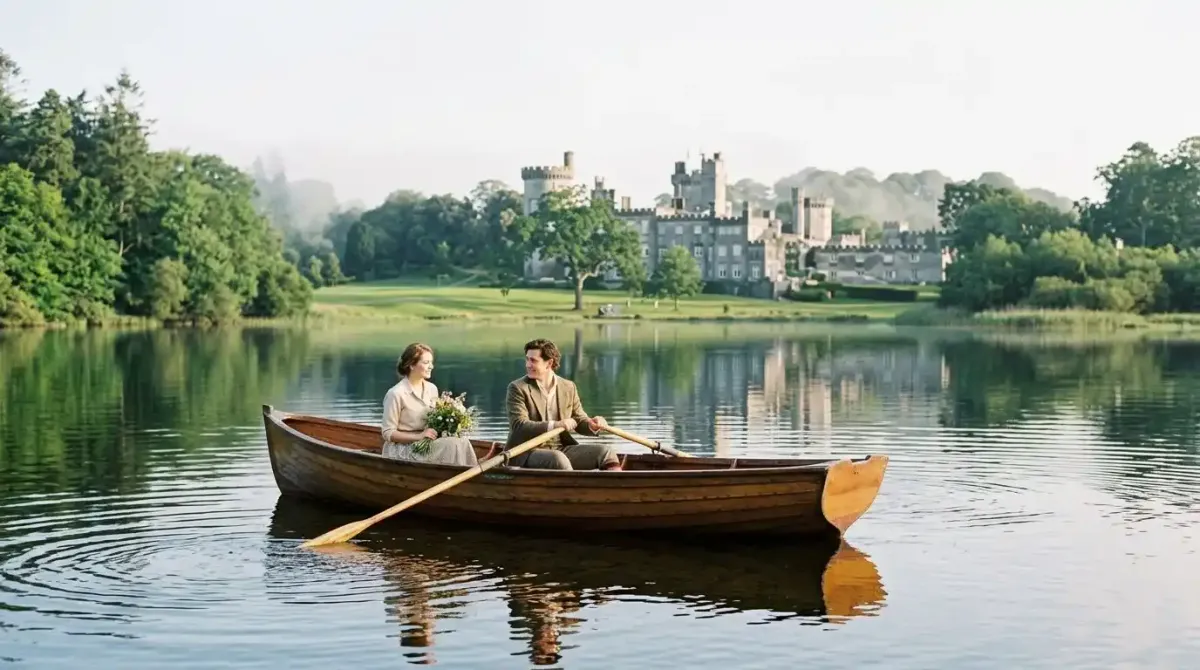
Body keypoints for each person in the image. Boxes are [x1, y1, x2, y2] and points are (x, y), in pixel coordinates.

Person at [504, 338, 621, 470]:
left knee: (606, 452)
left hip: (561, 448)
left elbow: (579, 420)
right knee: (557, 458)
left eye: (533, 360)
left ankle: (618, 489)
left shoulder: (568, 387)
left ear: (549, 363)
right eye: (527, 359)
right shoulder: (517, 388)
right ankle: (575, 490)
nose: (528, 365)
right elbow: (519, 426)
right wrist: (556, 425)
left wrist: (592, 424)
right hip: (526, 452)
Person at [380, 342, 479, 467]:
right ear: (411, 365)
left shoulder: (432, 389)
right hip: (403, 449)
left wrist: (451, 424)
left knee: (462, 441)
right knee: (452, 444)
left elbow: (433, 421)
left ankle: (469, 475)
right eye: (426, 363)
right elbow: (388, 433)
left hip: (427, 442)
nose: (431, 366)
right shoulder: (396, 394)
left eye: (431, 362)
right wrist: (419, 437)